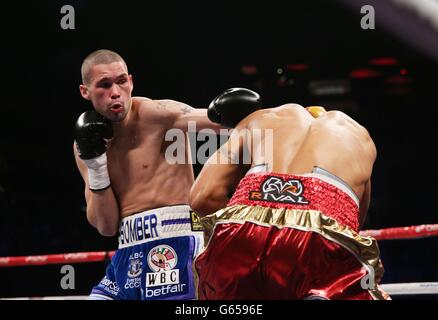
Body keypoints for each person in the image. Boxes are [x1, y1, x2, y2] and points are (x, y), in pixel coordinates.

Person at [190, 88, 389, 300]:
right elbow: (352, 227)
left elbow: (203, 197)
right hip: (322, 228)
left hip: (247, 217)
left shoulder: (260, 119)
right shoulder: (361, 137)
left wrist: (253, 207)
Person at [73, 49, 221, 300]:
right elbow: (107, 226)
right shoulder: (84, 144)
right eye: (104, 85)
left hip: (175, 242)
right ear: (85, 91)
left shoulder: (158, 115)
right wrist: (97, 166)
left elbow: (221, 121)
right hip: (127, 250)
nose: (115, 92)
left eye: (121, 81)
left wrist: (281, 117)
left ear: (130, 81)